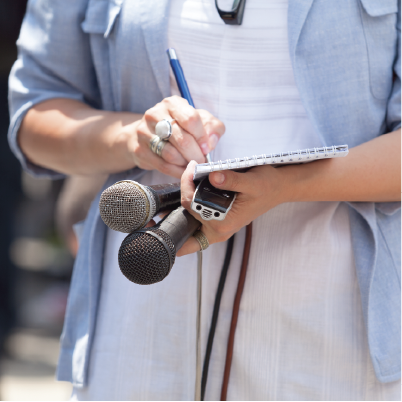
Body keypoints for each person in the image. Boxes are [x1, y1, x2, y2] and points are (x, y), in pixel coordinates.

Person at [8, 0, 402, 399]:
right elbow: (33, 116)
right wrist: (132, 139)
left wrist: (289, 186)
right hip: (135, 330)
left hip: (333, 339)